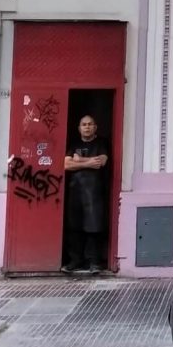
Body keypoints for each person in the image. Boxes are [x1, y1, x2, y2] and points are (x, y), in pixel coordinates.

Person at [62, 115, 109, 274]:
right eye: (84, 124)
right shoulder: (74, 143)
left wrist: (79, 160)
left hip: (94, 192)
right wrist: (88, 162)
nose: (87, 127)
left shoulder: (101, 143)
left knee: (93, 226)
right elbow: (66, 164)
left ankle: (94, 262)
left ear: (95, 127)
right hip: (75, 191)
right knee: (74, 226)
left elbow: (100, 162)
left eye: (90, 124)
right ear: (79, 128)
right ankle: (75, 260)